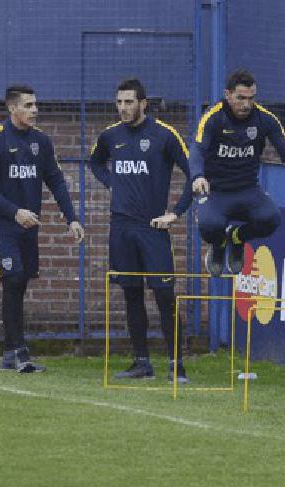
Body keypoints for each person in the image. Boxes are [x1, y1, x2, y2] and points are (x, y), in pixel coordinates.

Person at [89, 78, 193, 383]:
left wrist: (175, 213)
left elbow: (193, 174)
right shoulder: (110, 136)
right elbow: (94, 163)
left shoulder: (164, 135)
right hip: (121, 227)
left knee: (164, 294)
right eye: (119, 102)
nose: (123, 108)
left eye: (129, 102)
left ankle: (177, 365)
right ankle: (142, 363)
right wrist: (112, 183)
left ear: (143, 103)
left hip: (152, 228)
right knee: (131, 294)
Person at [0, 84, 85, 373]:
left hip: (29, 228)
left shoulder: (41, 142)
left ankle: (9, 352)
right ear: (12, 108)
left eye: (36, 105)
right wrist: (15, 212)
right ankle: (19, 352)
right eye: (28, 105)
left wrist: (71, 218)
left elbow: (56, 181)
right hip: (1, 226)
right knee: (12, 279)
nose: (34, 110)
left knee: (20, 283)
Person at [190, 69, 285, 276]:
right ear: (228, 95)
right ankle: (218, 245)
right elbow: (197, 150)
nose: (246, 104)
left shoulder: (265, 119)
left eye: (251, 98)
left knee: (271, 219)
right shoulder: (213, 119)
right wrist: (198, 177)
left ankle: (236, 238)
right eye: (240, 98)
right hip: (217, 192)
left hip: (248, 189)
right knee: (209, 225)